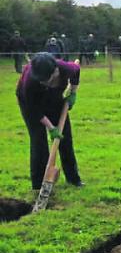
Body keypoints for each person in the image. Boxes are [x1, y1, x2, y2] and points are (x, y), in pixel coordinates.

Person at [16, 53, 83, 190]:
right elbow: (34, 111)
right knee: (38, 141)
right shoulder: (30, 82)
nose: (43, 83)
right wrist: (51, 128)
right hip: (31, 105)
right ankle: (39, 185)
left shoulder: (64, 68)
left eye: (46, 80)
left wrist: (73, 93)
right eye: (41, 81)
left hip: (55, 100)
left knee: (65, 139)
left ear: (55, 71)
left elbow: (76, 70)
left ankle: (73, 179)